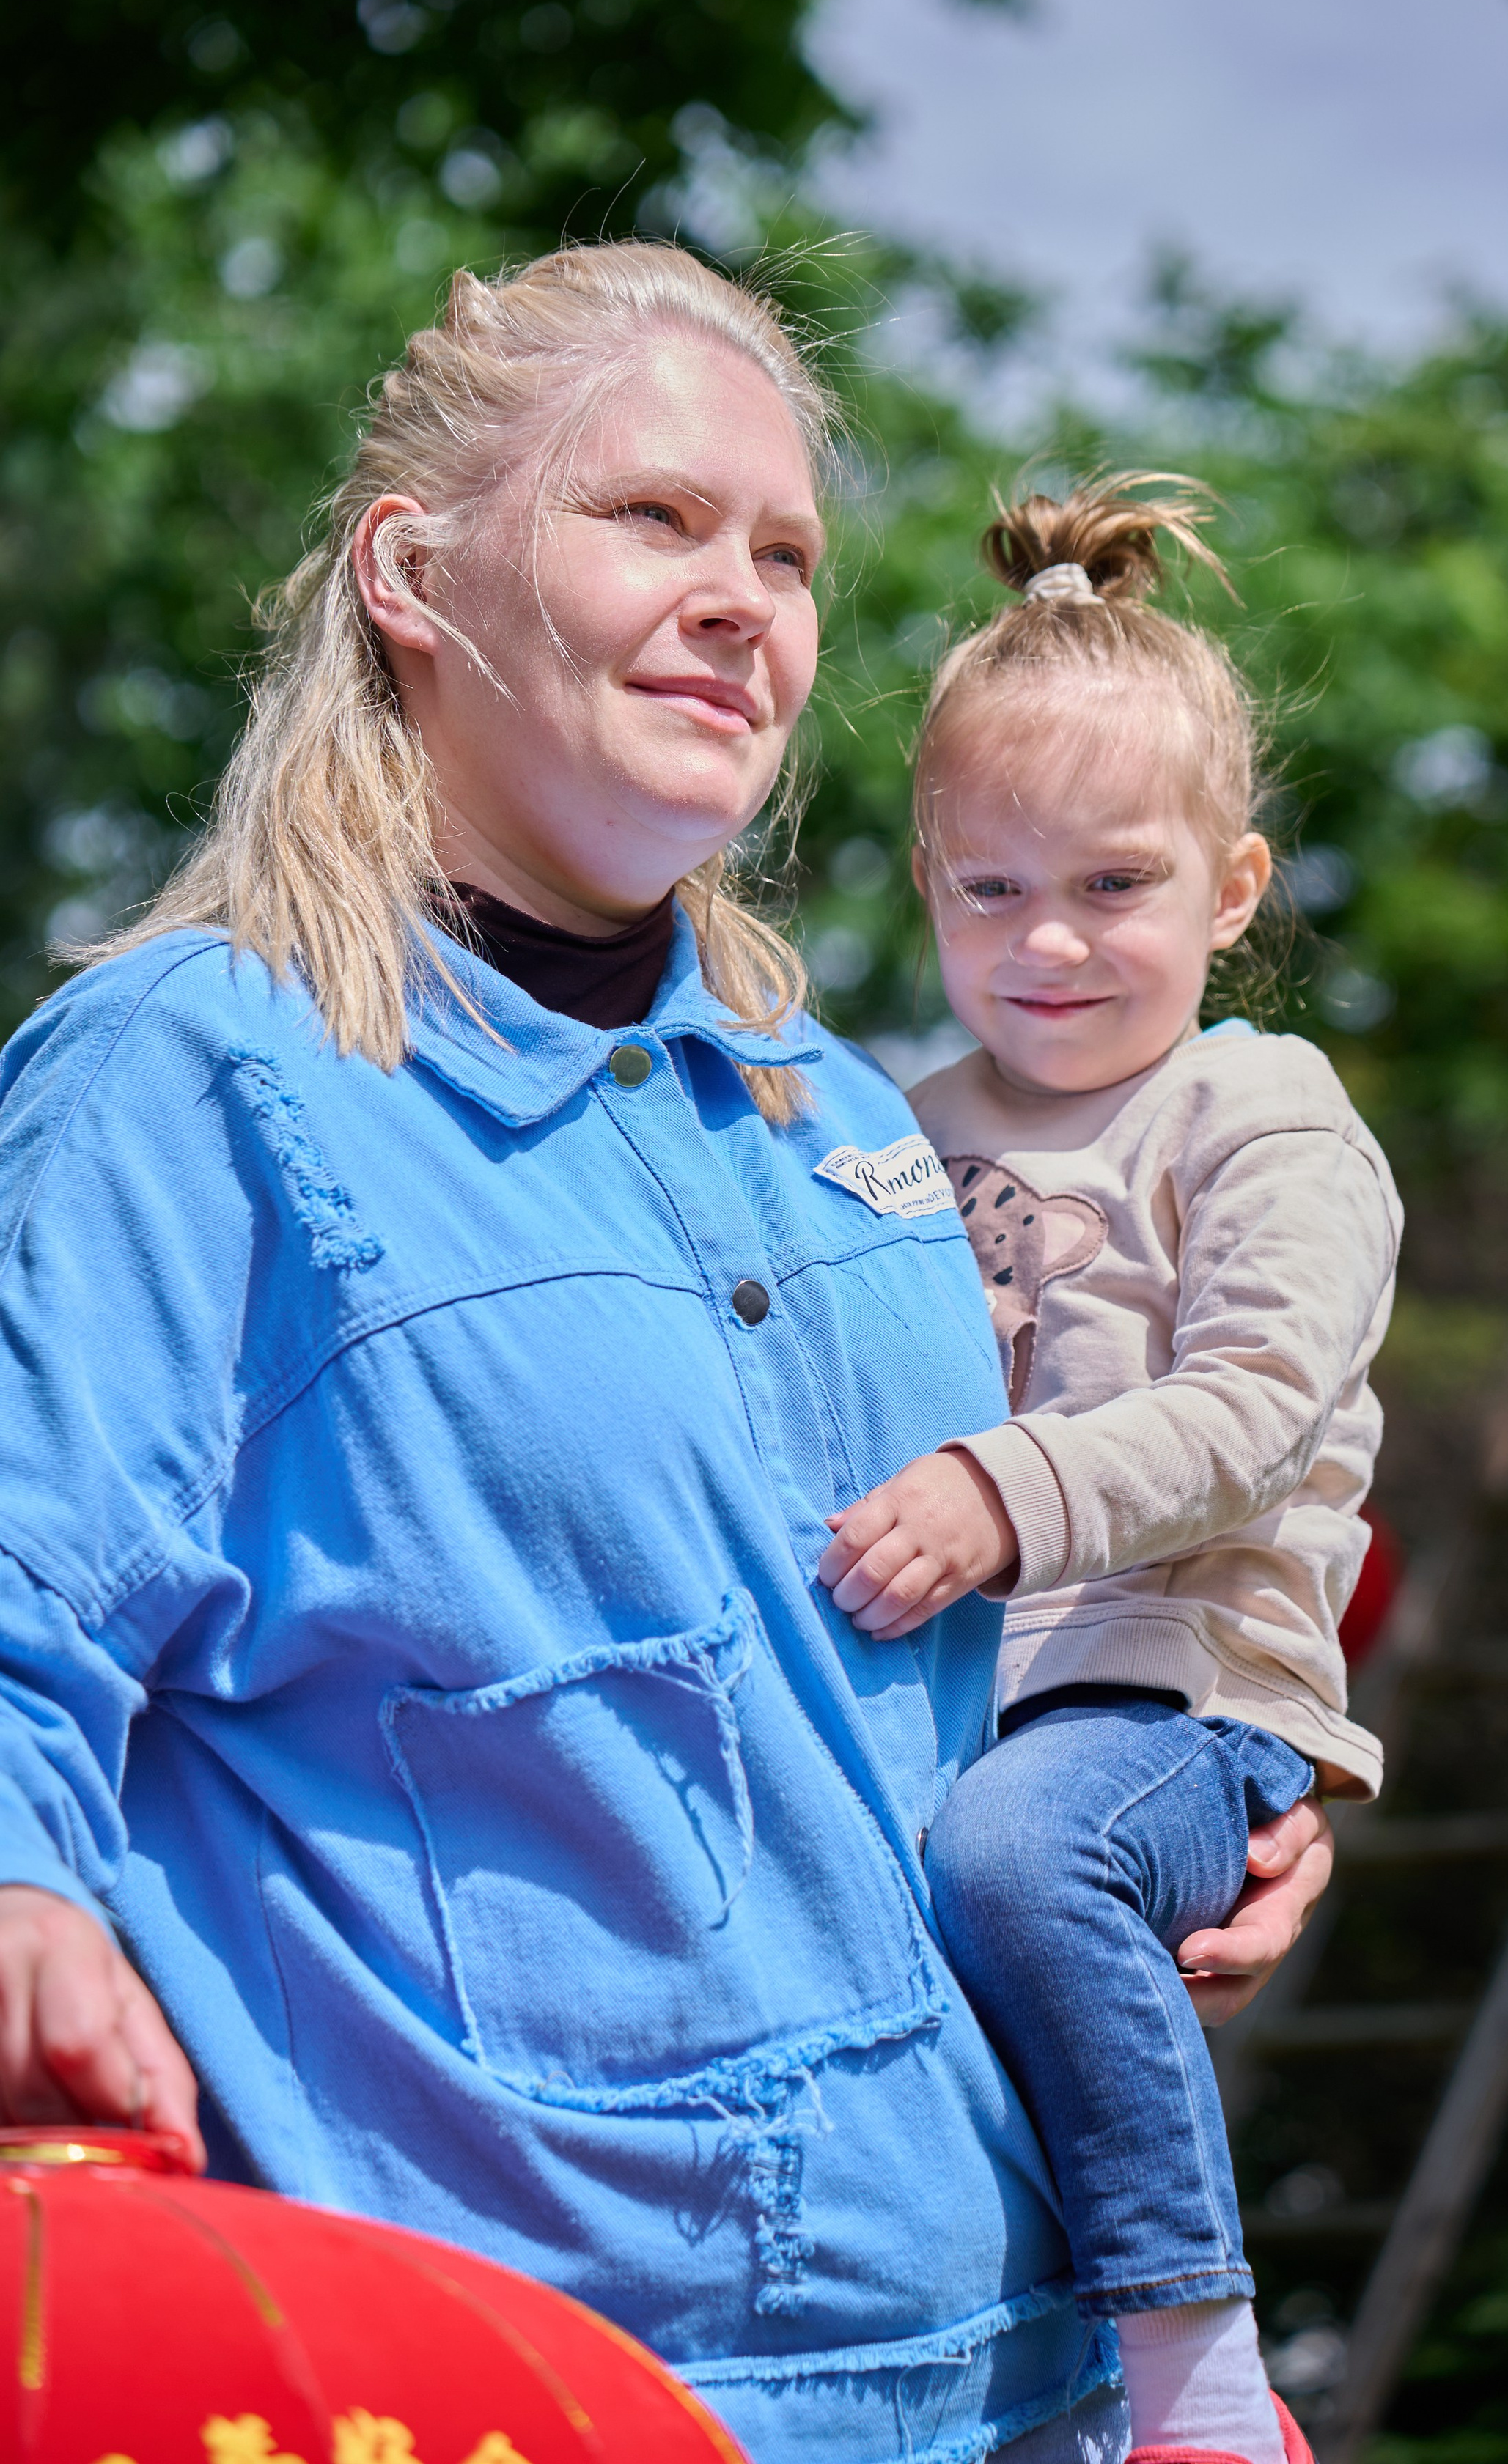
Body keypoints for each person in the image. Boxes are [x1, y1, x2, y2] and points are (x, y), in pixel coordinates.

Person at [0, 260, 1333, 2464]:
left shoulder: (858, 1117)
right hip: (547, 2391)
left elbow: (986, 1644)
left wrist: (1202, 1781)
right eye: (659, 522)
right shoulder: (188, 1078)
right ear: (415, 578)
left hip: (1045, 2372)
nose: (744, 602)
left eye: (788, 555)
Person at [817, 476, 1400, 2464]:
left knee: (1016, 1851)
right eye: (991, 891)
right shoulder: (887, 1129)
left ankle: (1202, 2370)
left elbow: (1260, 1404)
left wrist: (997, 1487)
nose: (1048, 941)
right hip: (976, 1694)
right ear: (927, 881)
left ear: (1231, 889)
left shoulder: (1259, 1106)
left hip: (1170, 1687)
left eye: (1115, 886)